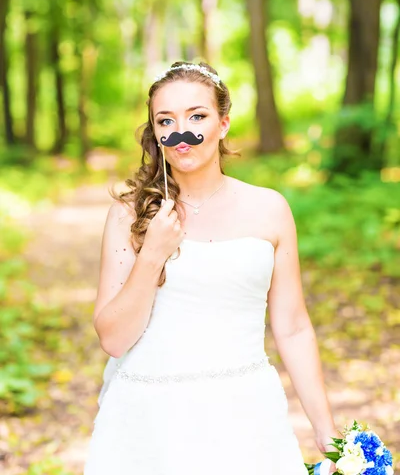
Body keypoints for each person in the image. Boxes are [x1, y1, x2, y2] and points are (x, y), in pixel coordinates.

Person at [84, 61, 336, 475]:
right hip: (150, 423)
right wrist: (152, 255)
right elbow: (112, 339)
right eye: (167, 120)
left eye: (197, 116)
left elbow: (292, 327)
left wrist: (327, 434)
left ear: (223, 123)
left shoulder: (269, 209)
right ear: (156, 133)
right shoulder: (128, 215)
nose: (182, 134)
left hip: (246, 418)